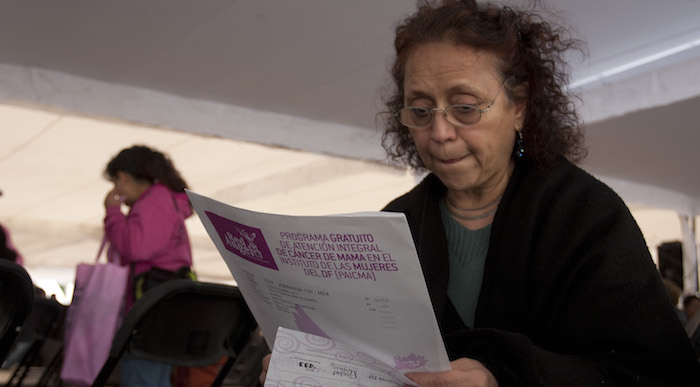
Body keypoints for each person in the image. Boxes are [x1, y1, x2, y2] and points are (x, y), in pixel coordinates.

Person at [259, 1, 700, 386]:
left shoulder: (586, 216)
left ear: (519, 106)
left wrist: (503, 376)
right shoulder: (396, 224)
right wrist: (312, 367)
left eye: (465, 107)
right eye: (420, 109)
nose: (440, 133)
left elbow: (656, 375)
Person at [103, 145, 194, 387]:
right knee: (155, 377)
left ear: (123, 176)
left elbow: (136, 247)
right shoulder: (166, 200)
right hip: (167, 305)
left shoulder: (156, 200)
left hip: (152, 310)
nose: (117, 191)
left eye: (116, 183)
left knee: (143, 375)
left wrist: (113, 213)